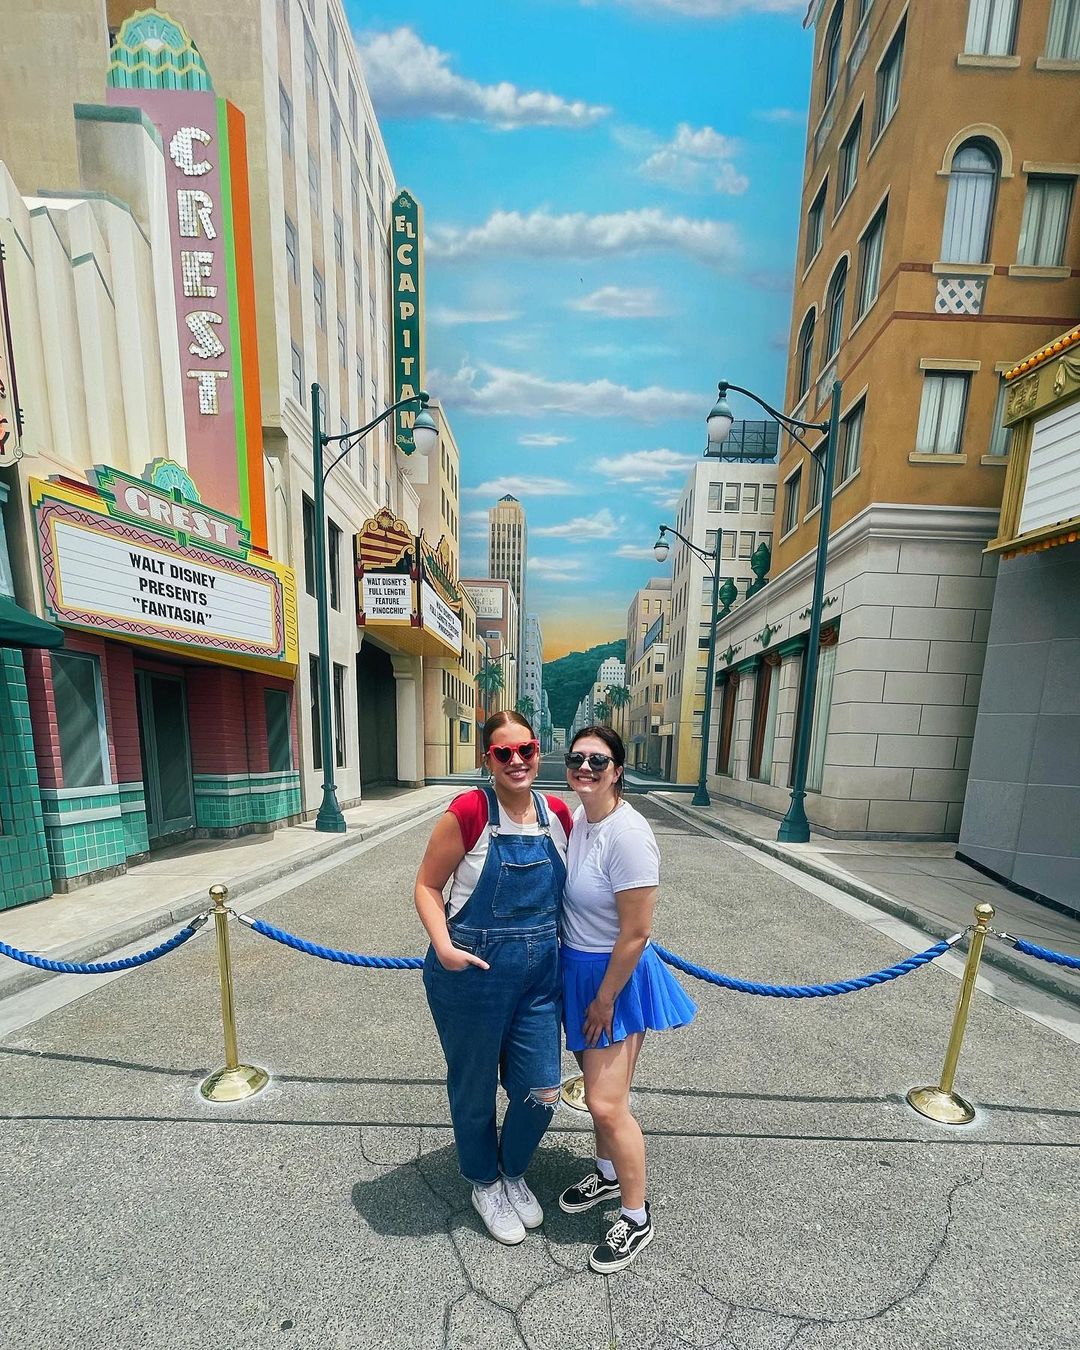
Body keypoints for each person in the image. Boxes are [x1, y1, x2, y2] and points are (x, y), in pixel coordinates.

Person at [415, 710, 574, 1246]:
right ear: (488, 760)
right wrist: (444, 947)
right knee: (474, 1085)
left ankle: (512, 1170)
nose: (516, 761)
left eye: (525, 750)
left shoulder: (557, 814)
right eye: (503, 753)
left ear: (537, 752)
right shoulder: (469, 811)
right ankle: (484, 1181)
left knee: (541, 1089)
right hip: (471, 973)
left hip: (539, 978)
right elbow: (427, 886)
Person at [557, 725, 696, 1274]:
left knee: (607, 1104)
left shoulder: (629, 833)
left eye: (598, 761)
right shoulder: (582, 821)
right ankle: (607, 1173)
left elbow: (636, 932)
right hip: (577, 968)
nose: (585, 768)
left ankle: (636, 1217)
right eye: (578, 758)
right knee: (595, 1087)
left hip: (611, 977)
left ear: (618, 770)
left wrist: (605, 999)